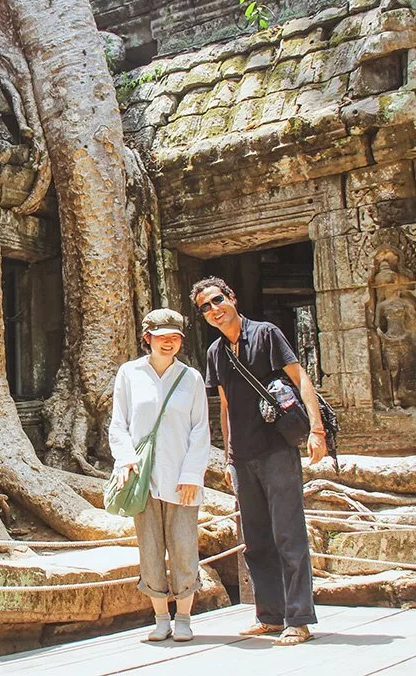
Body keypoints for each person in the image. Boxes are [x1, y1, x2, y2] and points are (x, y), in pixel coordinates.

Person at [192, 276, 326, 647]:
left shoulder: (266, 334)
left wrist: (317, 431)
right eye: (205, 308)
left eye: (217, 301)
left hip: (277, 450)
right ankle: (269, 614)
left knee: (288, 533)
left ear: (232, 297)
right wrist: (227, 454)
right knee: (255, 540)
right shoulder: (216, 353)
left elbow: (301, 379)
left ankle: (298, 617)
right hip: (243, 456)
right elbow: (226, 406)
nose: (214, 310)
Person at [108, 308, 211, 643]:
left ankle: (184, 617)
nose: (168, 342)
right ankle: (160, 617)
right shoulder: (129, 373)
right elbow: (118, 423)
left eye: (175, 337)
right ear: (147, 337)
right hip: (143, 478)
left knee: (184, 548)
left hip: (183, 478)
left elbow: (200, 430)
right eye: (162, 336)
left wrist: (193, 473)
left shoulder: (191, 378)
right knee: (150, 549)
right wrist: (125, 460)